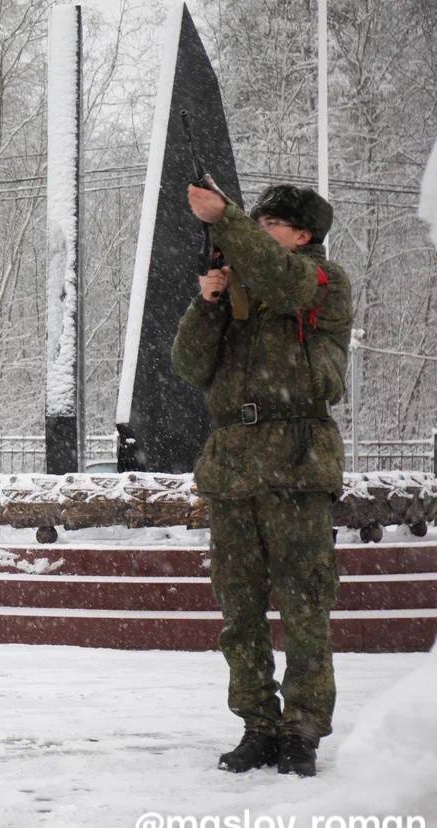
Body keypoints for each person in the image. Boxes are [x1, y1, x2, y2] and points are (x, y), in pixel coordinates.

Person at [172, 183, 351, 777]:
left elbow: (282, 279)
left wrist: (226, 219)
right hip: (235, 468)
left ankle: (302, 730)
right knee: (240, 612)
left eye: (272, 222)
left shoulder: (321, 281)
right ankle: (258, 723)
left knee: (305, 609)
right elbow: (189, 367)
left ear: (304, 235)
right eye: (259, 220)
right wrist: (209, 303)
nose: (261, 227)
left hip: (297, 462)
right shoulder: (242, 288)